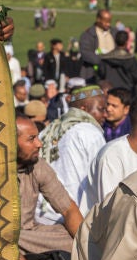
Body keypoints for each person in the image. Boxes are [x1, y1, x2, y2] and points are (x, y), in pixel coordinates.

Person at [15, 115, 83, 260]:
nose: (39, 143)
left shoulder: (38, 165)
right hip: (0, 239)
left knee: (74, 237)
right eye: (31, 139)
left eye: (37, 137)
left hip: (30, 235)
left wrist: (88, 247)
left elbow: (68, 209)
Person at [45, 85, 107, 218]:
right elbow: (101, 179)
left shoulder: (51, 128)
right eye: (101, 109)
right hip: (73, 216)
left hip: (45, 214)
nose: (105, 115)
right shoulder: (89, 132)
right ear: (83, 109)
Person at [79, 9, 114, 82]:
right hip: (93, 74)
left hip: (111, 73)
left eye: (109, 21)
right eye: (106, 21)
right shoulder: (88, 34)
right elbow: (85, 53)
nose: (108, 24)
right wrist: (102, 62)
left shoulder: (114, 33)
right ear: (98, 19)